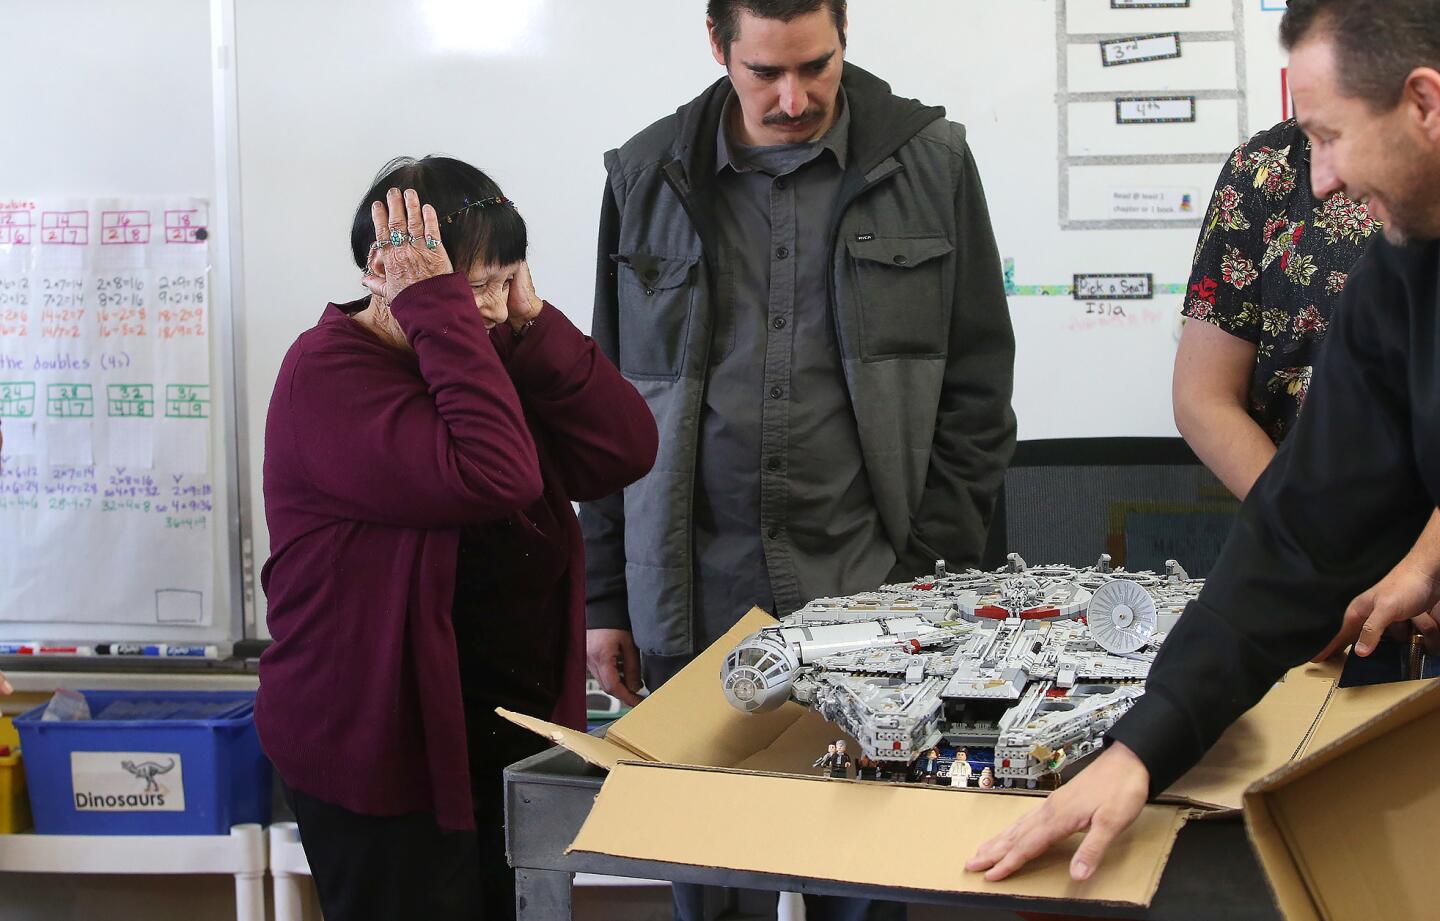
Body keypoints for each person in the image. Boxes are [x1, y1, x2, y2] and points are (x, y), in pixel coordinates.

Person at [968, 0, 1440, 884]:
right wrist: (1141, 748)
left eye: (1331, 137)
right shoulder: (1398, 278)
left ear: (1425, 102)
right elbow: (1301, 531)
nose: (1324, 180)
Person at [583, 4, 1016, 916]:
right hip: (699, 601)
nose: (794, 97)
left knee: (866, 885)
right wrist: (605, 599)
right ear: (718, 49)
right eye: (765, 73)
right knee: (714, 883)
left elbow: (978, 392)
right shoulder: (645, 174)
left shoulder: (930, 163)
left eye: (816, 67)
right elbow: (611, 408)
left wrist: (923, 578)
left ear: (845, 37)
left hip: (874, 600)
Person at [256, 157, 657, 921]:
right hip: (383, 747)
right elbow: (494, 475)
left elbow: (625, 447)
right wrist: (444, 311)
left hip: (502, 730)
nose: (494, 310)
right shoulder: (329, 373)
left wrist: (535, 327)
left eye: (507, 281)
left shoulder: (484, 348)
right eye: (474, 288)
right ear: (387, 272)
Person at [1176, 116, 1440, 653]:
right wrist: (1325, 540)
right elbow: (1203, 396)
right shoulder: (1265, 170)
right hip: (1320, 572)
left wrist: (1426, 560)